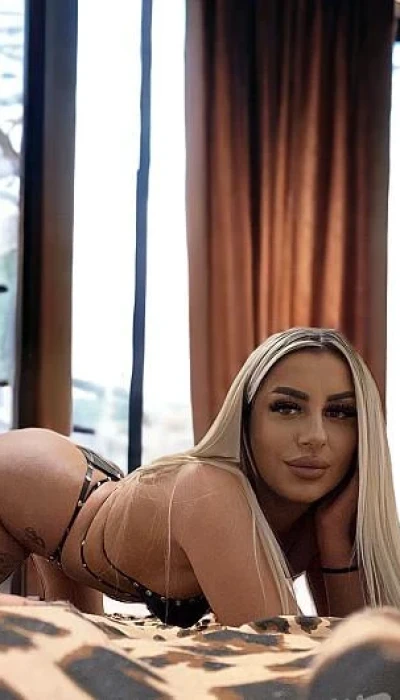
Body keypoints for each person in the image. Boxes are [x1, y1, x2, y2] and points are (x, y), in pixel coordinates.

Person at [1, 327, 400, 627]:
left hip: (80, 536)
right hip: (31, 482)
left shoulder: (316, 518)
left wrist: (334, 535)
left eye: (339, 412)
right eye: (286, 408)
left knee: (78, 647)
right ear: (246, 420)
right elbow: (284, 651)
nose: (315, 436)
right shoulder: (208, 490)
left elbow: (357, 655)